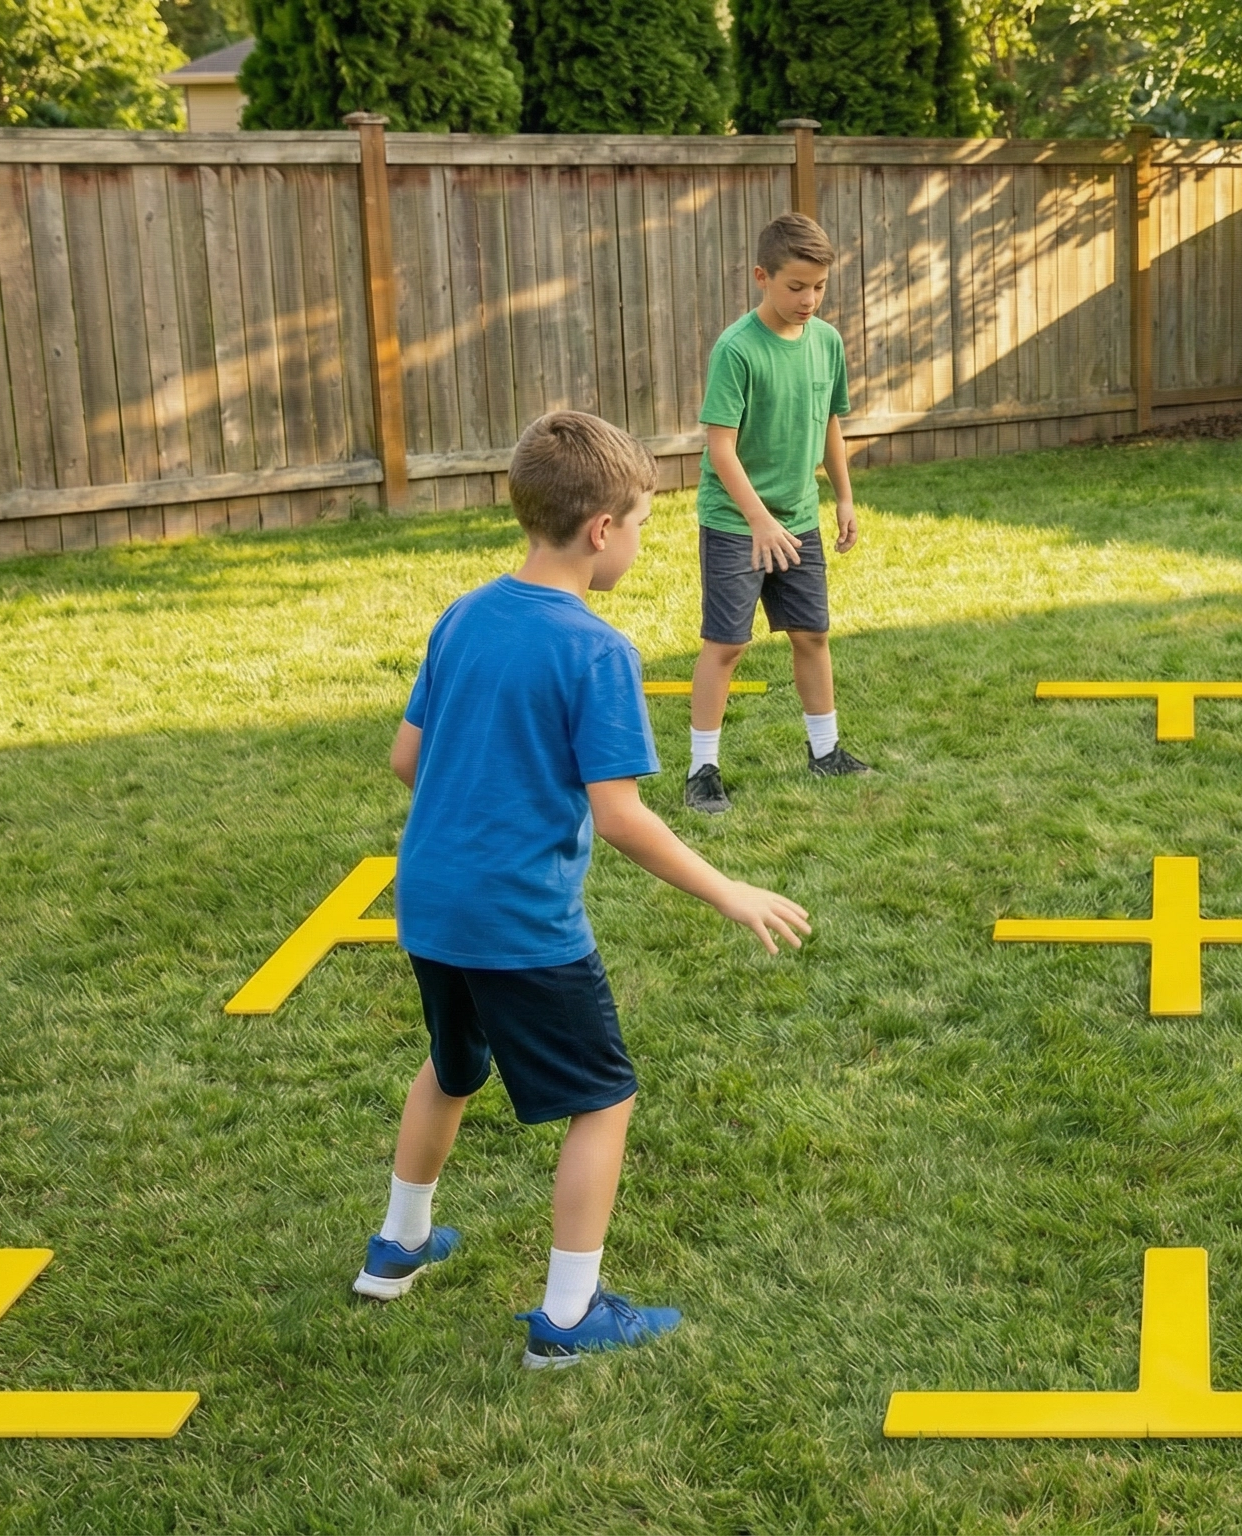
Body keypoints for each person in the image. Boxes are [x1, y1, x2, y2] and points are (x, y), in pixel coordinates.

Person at [358, 410, 813, 1369]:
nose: (643, 540)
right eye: (642, 522)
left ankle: (396, 1249)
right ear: (601, 529)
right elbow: (621, 816)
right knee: (602, 1099)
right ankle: (567, 1319)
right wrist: (729, 890)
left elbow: (408, 759)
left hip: (431, 905)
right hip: (521, 921)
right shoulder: (595, 651)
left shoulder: (463, 614)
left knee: (452, 1063)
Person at [684, 212, 870, 815]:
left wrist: (841, 495)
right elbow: (719, 447)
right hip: (737, 520)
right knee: (727, 644)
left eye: (818, 287)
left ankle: (826, 752)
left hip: (798, 518)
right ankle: (702, 769)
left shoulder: (827, 342)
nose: (808, 299)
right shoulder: (737, 349)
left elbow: (831, 422)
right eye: (795, 286)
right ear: (762, 276)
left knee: (812, 634)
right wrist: (760, 520)